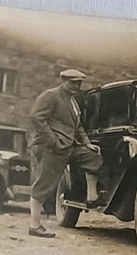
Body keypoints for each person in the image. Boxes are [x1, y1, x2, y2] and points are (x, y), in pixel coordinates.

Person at [26, 68, 102, 239]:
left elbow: (78, 127)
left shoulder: (73, 102)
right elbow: (37, 118)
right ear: (64, 81)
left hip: (69, 147)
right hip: (50, 148)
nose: (77, 86)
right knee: (44, 184)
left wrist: (88, 144)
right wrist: (53, 141)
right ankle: (34, 225)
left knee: (93, 157)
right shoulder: (51, 96)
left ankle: (92, 197)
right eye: (73, 82)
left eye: (79, 83)